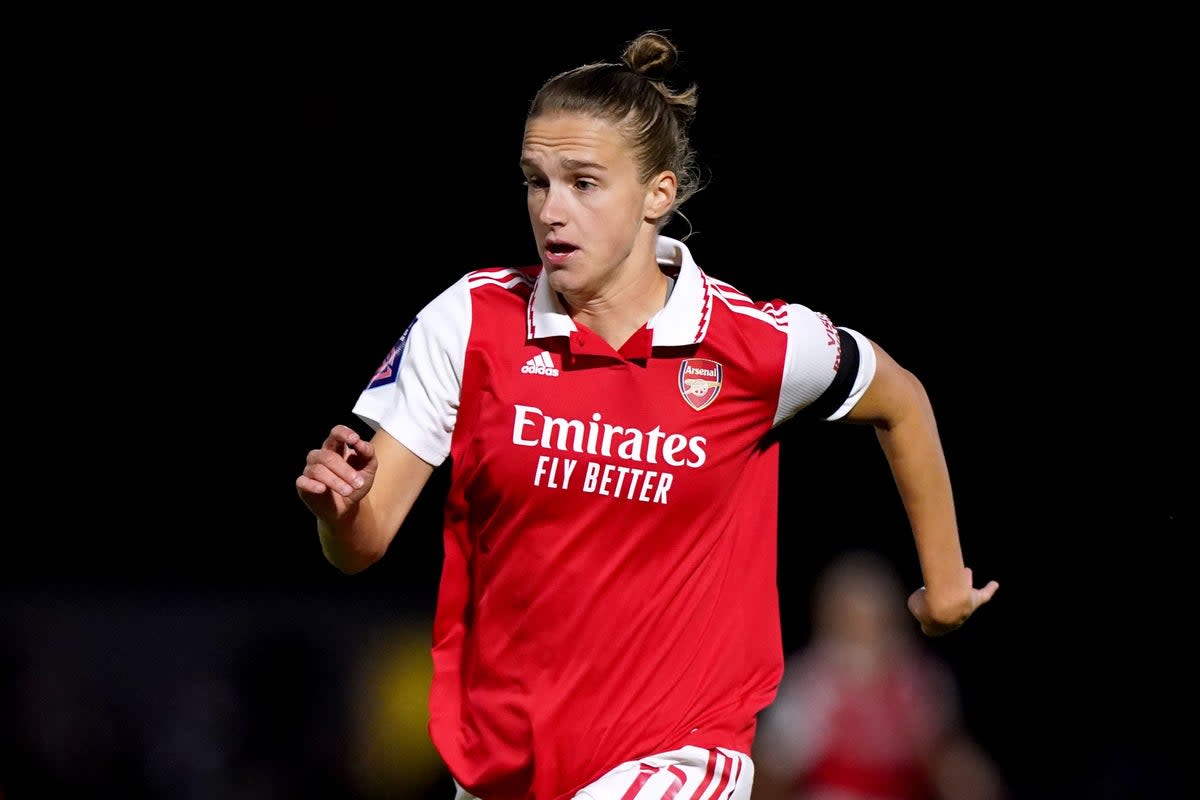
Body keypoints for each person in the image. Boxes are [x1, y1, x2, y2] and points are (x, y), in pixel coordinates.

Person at [295, 30, 999, 800]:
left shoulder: (751, 343)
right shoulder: (469, 321)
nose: (551, 210)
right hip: (505, 768)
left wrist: (944, 584)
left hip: (683, 758)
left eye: (584, 183)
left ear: (657, 194)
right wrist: (339, 513)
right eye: (536, 182)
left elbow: (902, 398)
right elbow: (359, 546)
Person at [752, 549, 1009, 800]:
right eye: (852, 621)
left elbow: (945, 758)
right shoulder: (811, 683)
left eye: (877, 621)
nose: (865, 636)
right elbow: (774, 770)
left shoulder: (917, 681)